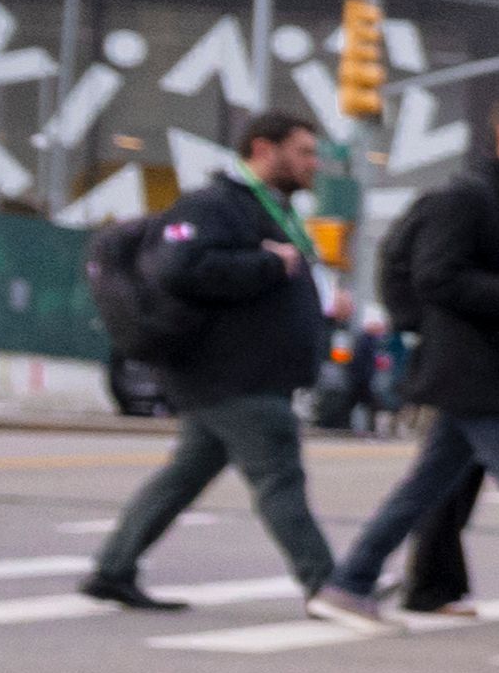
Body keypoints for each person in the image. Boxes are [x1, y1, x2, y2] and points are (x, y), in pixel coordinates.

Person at [81, 108, 364, 617]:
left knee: (181, 479)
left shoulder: (269, 210)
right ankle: (327, 585)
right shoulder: (217, 205)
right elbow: (180, 268)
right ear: (263, 149)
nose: (313, 164)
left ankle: (112, 569)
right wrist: (269, 264)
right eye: (302, 152)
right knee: (280, 480)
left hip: (243, 375)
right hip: (234, 375)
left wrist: (316, 302)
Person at [327, 86, 499, 615]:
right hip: (470, 365)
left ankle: (350, 581)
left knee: (426, 487)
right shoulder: (468, 198)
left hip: (495, 362)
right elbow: (434, 278)